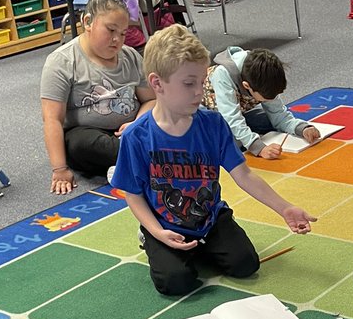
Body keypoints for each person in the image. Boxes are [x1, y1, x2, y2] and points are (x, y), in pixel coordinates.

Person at [111, 25, 316, 297]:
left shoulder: (214, 124)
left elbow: (244, 175)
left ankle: (199, 246)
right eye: (189, 84)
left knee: (246, 264)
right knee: (176, 282)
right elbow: (133, 194)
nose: (199, 92)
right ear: (157, 84)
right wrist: (157, 232)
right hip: (164, 223)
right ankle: (151, 240)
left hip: (209, 218)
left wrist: (285, 208)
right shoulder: (137, 136)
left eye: (201, 81)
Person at [40, 0, 156, 195]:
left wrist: (137, 123)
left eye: (123, 33)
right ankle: (146, 160)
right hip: (88, 134)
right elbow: (52, 120)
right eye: (111, 30)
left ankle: (129, 164)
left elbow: (151, 100)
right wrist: (60, 170)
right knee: (80, 146)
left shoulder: (130, 56)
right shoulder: (61, 62)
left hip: (131, 130)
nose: (117, 39)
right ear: (88, 22)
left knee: (171, 119)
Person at [202, 46, 321, 160]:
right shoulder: (222, 75)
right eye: (264, 99)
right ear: (247, 86)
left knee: (267, 120)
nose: (269, 100)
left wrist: (302, 128)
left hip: (238, 113)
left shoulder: (265, 74)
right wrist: (259, 148)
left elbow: (278, 114)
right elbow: (232, 120)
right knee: (231, 140)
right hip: (206, 120)